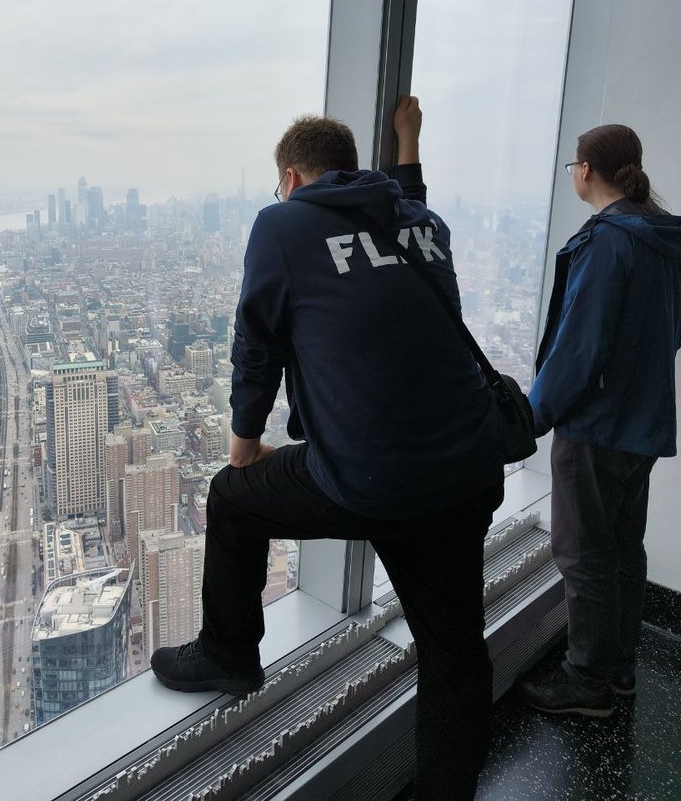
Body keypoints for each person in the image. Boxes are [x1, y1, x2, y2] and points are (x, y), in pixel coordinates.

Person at [151, 98, 505, 800]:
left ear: (290, 178)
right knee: (455, 657)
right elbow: (407, 198)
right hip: (466, 466)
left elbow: (258, 341)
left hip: (369, 473)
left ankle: (229, 651)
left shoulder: (284, 224)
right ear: (353, 169)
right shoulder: (422, 223)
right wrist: (408, 142)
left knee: (231, 497)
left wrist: (244, 440)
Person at [520, 124, 681, 718]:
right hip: (642, 420)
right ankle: (618, 673)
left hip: (597, 427)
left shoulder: (609, 242)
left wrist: (534, 416)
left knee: (584, 553)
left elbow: (580, 347)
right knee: (621, 550)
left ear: (585, 170)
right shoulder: (661, 237)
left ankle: (586, 683)